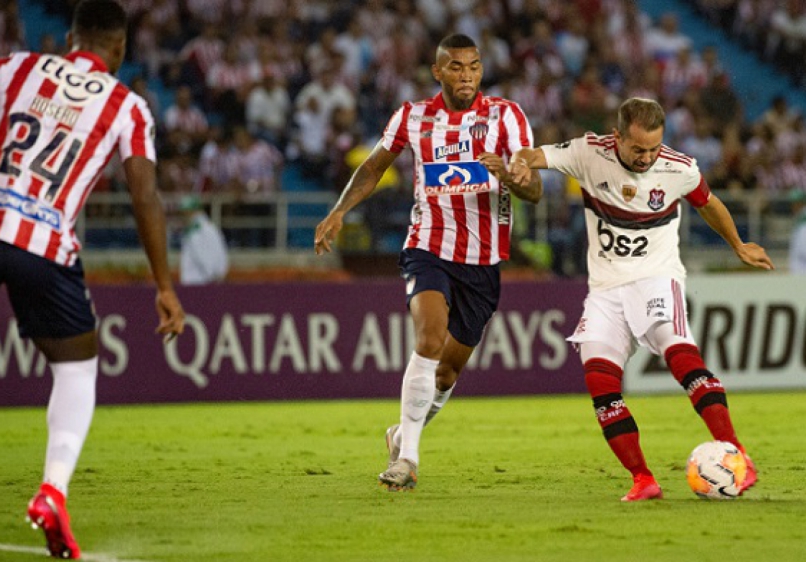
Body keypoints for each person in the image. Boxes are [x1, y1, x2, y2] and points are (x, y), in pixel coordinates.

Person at [0, 0, 186, 557]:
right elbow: (144, 195)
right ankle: (52, 492)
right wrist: (164, 286)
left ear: (69, 39)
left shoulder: (16, 66)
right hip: (45, 244)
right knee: (77, 369)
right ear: (120, 49)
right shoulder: (127, 106)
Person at [507, 97, 774, 502]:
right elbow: (536, 155)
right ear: (617, 137)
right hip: (605, 290)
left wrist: (737, 244)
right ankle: (642, 479)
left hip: (656, 279)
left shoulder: (679, 168)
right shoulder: (587, 152)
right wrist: (521, 163)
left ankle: (739, 455)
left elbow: (709, 203)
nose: (647, 157)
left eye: (653, 147)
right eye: (638, 149)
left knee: (680, 356)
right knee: (600, 382)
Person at [314, 34, 542, 491]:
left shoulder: (506, 116)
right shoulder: (413, 116)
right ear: (438, 71)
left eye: (474, 67)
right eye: (456, 67)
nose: (466, 76)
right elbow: (374, 166)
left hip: (484, 261)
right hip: (428, 247)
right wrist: (339, 210)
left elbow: (533, 188)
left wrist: (510, 176)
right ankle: (409, 460)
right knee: (429, 335)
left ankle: (401, 433)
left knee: (447, 371)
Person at [178, 195, 229, 285]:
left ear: (195, 212)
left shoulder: (203, 229)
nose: (183, 216)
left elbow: (207, 253)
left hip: (200, 282)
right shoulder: (194, 229)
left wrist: (213, 274)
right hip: (194, 281)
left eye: (186, 212)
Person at [788, 189, 806, 274]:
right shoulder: (799, 219)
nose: (793, 207)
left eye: (796, 203)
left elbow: (803, 251)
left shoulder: (803, 223)